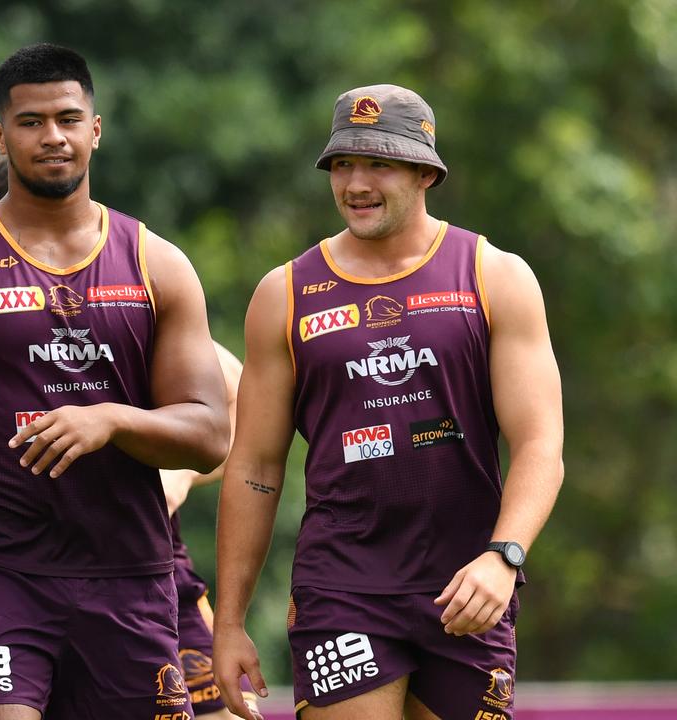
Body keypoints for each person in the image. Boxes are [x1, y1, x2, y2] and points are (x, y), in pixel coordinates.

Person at [0, 44, 230, 719]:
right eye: (32, 122)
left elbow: (210, 433)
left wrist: (112, 419)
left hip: (130, 581)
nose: (53, 138)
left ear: (95, 129)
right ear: (0, 136)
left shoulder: (158, 264)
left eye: (69, 119)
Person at [212, 84, 564, 720]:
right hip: (342, 586)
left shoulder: (495, 276)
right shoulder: (284, 293)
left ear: (426, 172)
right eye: (343, 164)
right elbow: (255, 466)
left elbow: (541, 442)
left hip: (468, 587)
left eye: (379, 163)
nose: (356, 183)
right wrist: (229, 621)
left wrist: (504, 556)